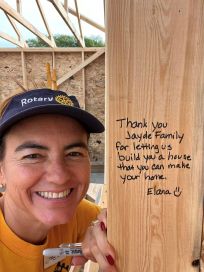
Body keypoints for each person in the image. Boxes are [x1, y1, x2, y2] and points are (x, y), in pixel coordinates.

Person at [0, 88, 117, 272]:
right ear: (1, 171)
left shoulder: (81, 216)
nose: (59, 177)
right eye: (32, 156)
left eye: (74, 153)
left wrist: (102, 231)